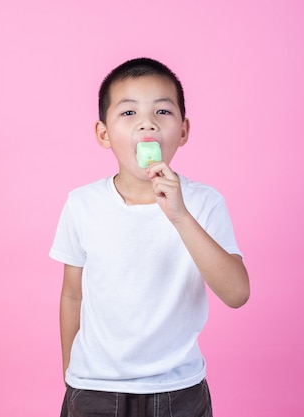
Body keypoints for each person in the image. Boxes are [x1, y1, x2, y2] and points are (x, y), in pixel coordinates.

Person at [50, 57, 250, 417]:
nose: (147, 123)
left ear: (184, 130)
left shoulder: (204, 203)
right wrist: (72, 374)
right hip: (94, 387)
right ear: (103, 134)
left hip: (178, 388)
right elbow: (71, 293)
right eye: (129, 113)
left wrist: (179, 215)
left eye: (162, 111)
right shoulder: (82, 204)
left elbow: (237, 294)